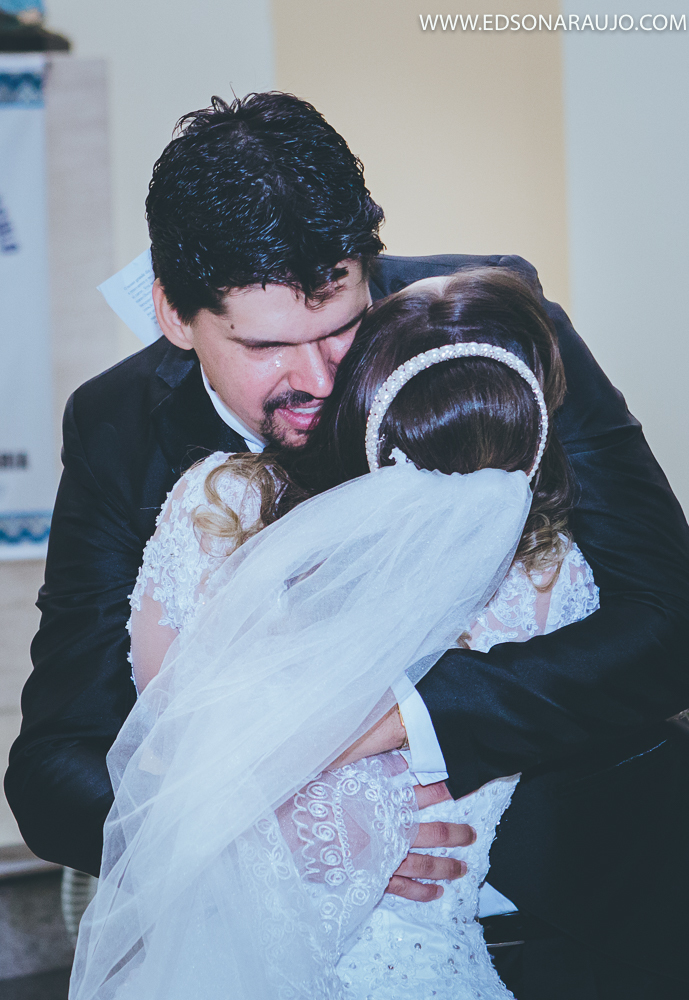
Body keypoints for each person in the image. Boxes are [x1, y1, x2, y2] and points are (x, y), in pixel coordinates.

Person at [6, 92, 689, 997]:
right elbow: (56, 768)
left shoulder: (491, 331)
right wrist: (284, 836)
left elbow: (669, 619)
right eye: (268, 347)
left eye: (343, 326)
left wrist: (409, 718)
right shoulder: (117, 426)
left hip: (584, 912)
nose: (323, 380)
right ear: (174, 315)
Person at [71, 267, 599, 999]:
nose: (314, 376)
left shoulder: (221, 509)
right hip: (425, 968)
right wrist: (313, 830)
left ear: (362, 397)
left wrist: (270, 818)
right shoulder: (554, 583)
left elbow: (159, 750)